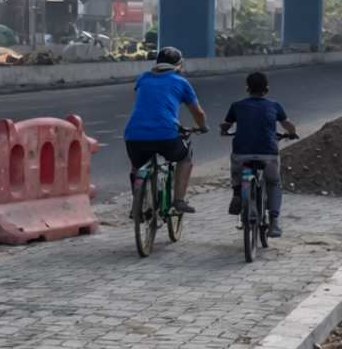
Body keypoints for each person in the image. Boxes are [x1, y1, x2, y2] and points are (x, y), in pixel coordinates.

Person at [124, 47, 209, 213]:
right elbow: (198, 112)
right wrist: (202, 127)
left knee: (137, 167)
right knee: (185, 157)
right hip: (166, 135)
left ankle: (138, 202)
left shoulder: (143, 78)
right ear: (179, 65)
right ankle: (178, 200)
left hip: (134, 135)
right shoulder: (181, 82)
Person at [220, 71, 297, 238]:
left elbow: (226, 125)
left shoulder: (237, 105)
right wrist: (292, 133)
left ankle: (237, 192)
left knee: (236, 171)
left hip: (242, 154)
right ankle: (274, 222)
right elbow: (288, 124)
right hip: (267, 153)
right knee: (274, 182)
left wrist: (224, 130)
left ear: (247, 88)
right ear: (267, 89)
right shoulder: (274, 106)